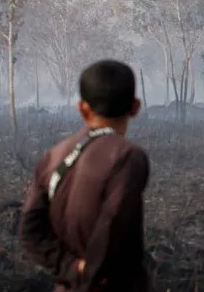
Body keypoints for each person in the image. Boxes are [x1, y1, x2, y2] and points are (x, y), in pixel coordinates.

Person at [19, 59, 151, 292]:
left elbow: (30, 229)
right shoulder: (127, 157)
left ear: (82, 108)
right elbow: (112, 223)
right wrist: (90, 272)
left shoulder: (54, 156)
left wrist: (71, 267)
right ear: (135, 107)